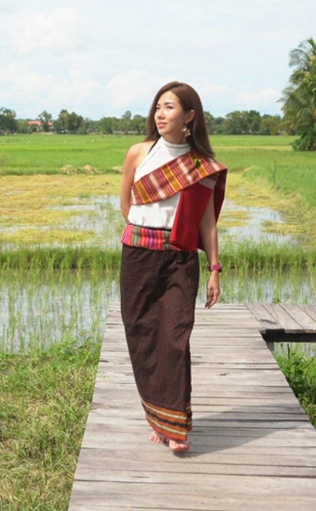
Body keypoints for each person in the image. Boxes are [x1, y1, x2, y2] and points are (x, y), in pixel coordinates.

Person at [117, 81, 227, 453]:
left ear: (190, 116)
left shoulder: (201, 166)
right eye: (158, 107)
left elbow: (207, 222)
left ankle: (176, 427)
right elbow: (126, 206)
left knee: (176, 338)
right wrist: (145, 235)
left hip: (180, 258)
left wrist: (214, 268)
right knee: (143, 335)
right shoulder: (139, 153)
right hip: (138, 255)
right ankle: (158, 418)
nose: (160, 115)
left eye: (169, 108)